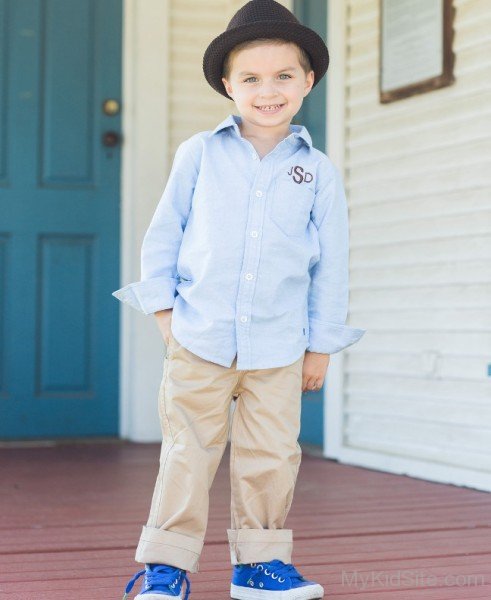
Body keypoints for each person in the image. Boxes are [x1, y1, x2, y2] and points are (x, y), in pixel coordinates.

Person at [115, 1, 366, 598]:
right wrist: (165, 315)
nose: (268, 90)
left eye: (284, 76)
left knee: (272, 456)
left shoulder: (318, 172)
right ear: (228, 85)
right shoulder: (200, 154)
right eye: (251, 78)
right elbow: (165, 234)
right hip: (199, 337)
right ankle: (165, 568)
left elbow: (330, 264)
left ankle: (258, 565)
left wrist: (321, 346)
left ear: (308, 81)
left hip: (279, 345)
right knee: (187, 453)